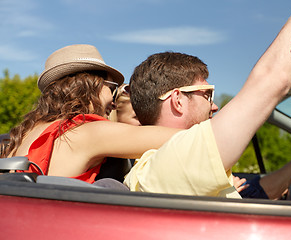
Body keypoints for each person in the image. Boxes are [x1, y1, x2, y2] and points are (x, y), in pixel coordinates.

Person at [124, 0, 291, 199]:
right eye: (207, 94)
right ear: (178, 100)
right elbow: (273, 81)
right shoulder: (169, 164)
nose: (214, 106)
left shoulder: (161, 167)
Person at [0, 44, 180, 184]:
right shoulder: (86, 132)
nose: (114, 101)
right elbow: (183, 138)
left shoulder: (26, 131)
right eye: (112, 88)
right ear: (93, 85)